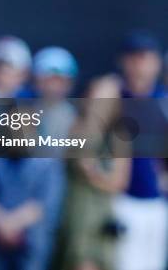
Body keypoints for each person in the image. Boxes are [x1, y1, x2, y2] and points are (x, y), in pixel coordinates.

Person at [54, 75, 131, 270]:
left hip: (102, 214)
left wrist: (94, 173)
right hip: (76, 210)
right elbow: (77, 161)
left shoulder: (119, 136)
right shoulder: (75, 127)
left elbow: (118, 182)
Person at [113, 31, 167, 270]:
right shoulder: (112, 96)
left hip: (157, 203)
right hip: (121, 200)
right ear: (124, 61)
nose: (140, 64)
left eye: (146, 57)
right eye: (135, 57)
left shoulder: (163, 100)